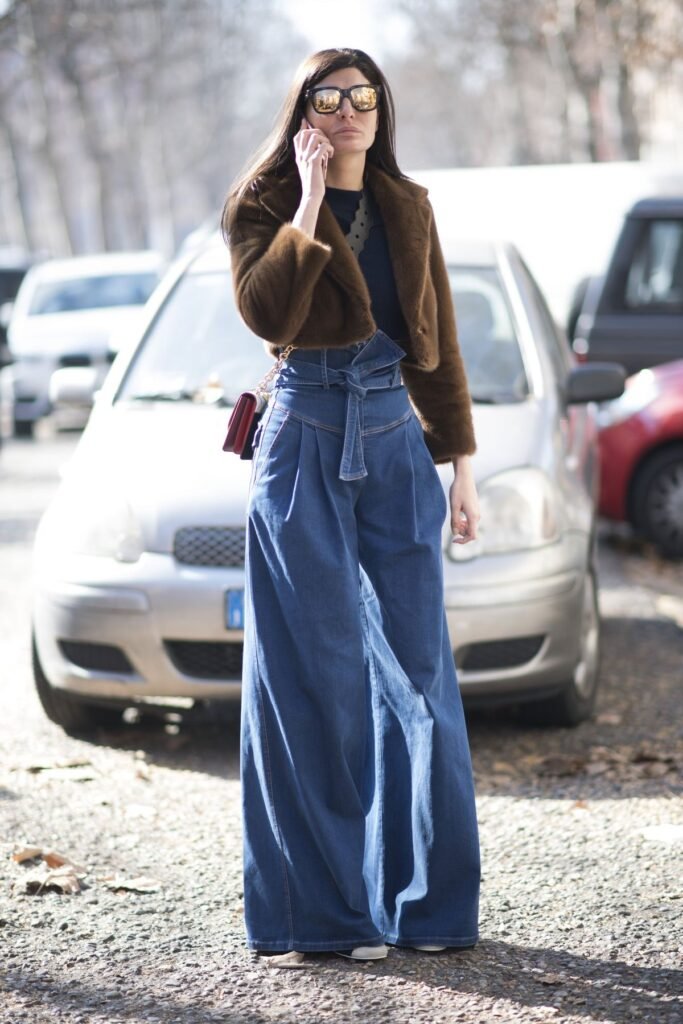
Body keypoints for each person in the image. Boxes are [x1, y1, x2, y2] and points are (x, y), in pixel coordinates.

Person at [222, 47, 481, 967]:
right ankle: (319, 920)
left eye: (360, 97)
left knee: (420, 678)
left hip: (394, 436)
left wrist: (460, 465)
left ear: (381, 109)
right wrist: (303, 201)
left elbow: (437, 340)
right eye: (326, 98)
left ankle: (431, 908)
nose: (345, 112)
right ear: (302, 113)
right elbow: (269, 316)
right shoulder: (257, 205)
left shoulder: (409, 206)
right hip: (303, 434)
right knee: (311, 679)